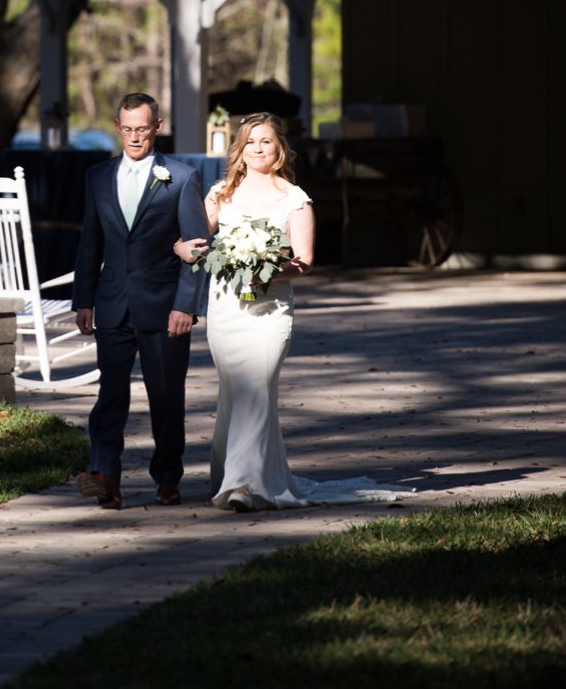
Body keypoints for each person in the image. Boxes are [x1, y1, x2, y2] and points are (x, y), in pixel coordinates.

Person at [175, 112, 413, 512]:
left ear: (280, 148)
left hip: (269, 312)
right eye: (250, 142)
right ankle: (238, 475)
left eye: (266, 141)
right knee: (235, 393)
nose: (257, 149)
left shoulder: (295, 200)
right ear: (240, 148)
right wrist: (182, 249)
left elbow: (304, 261)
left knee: (258, 390)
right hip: (226, 310)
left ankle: (245, 488)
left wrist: (265, 273)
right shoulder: (220, 194)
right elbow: (193, 241)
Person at [72, 92, 210, 510]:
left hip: (164, 305)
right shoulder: (97, 176)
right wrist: (83, 300)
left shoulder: (182, 177)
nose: (135, 137)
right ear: (118, 127)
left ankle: (167, 477)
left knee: (166, 398)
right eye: (128, 129)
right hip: (113, 302)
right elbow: (89, 243)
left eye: (142, 129)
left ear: (157, 126)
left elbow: (197, 246)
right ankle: (105, 476)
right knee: (110, 395)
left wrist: (186, 304)